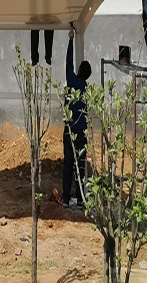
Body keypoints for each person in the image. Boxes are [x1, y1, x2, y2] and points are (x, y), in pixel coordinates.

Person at [63, 28, 91, 208]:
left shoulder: (72, 82)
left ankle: (66, 199)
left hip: (70, 131)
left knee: (68, 164)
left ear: (80, 70)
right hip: (82, 132)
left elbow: (68, 63)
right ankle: (80, 198)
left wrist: (70, 41)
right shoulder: (87, 90)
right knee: (80, 164)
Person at [31, 0, 54, 66]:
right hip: (36, 14)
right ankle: (34, 58)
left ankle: (48, 56)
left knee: (49, 29)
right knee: (34, 30)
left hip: (47, 14)